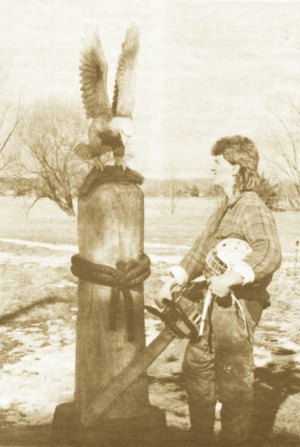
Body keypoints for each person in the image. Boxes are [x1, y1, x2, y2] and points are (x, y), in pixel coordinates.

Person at [157, 135, 282, 447]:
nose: (211, 168)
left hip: (236, 308)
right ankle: (200, 440)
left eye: (217, 163)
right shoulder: (224, 208)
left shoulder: (252, 206)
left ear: (237, 168)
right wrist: (176, 277)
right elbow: (201, 249)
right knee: (197, 368)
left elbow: (269, 252)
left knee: (234, 381)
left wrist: (231, 277)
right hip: (209, 308)